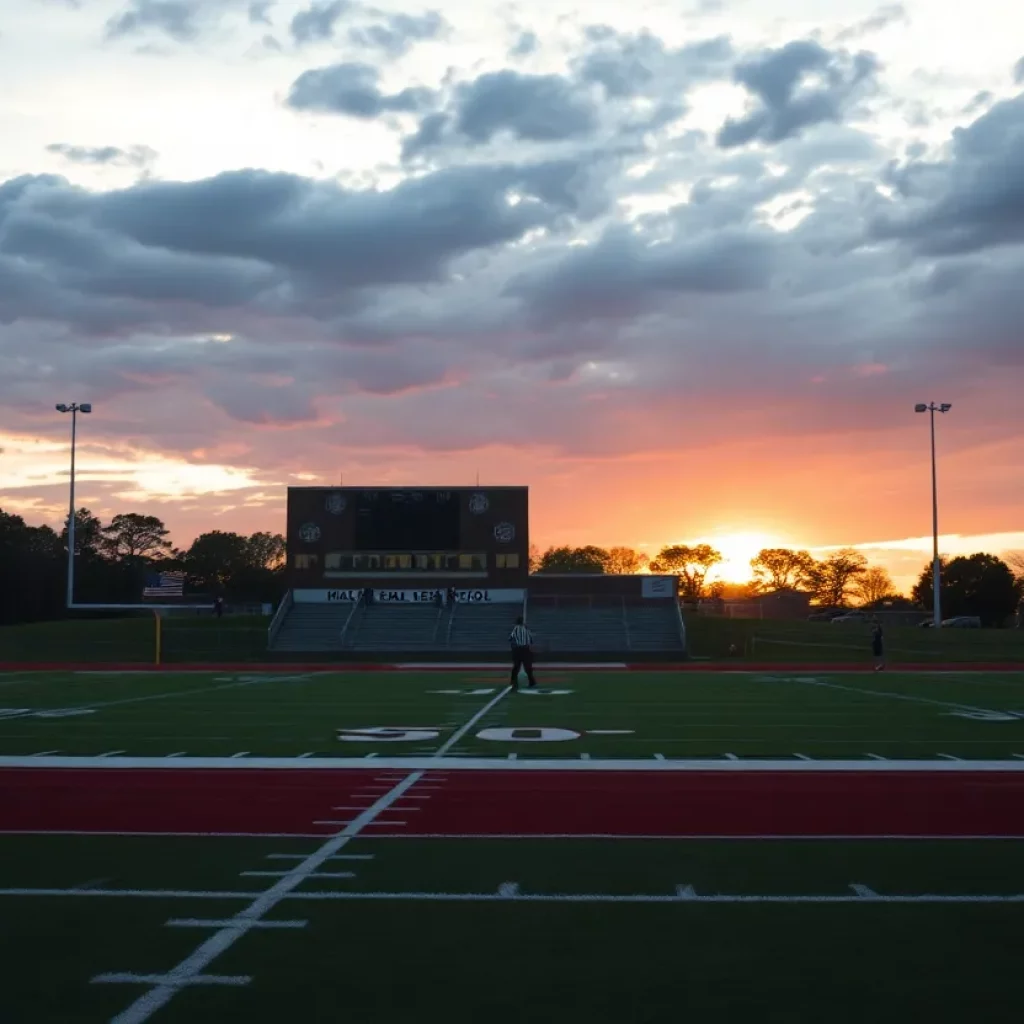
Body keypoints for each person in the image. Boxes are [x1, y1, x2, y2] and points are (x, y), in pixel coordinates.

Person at [508, 615, 537, 690]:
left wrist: (513, 647)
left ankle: (513, 683)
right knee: (528, 667)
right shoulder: (526, 629)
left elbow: (510, 638)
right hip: (526, 650)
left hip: (518, 650)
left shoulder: (516, 629)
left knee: (516, 667)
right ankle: (532, 682)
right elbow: (531, 640)